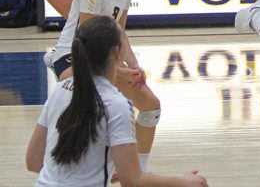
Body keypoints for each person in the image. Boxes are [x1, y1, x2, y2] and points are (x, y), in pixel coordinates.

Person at [26, 16, 208, 187]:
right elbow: (132, 180)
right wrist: (182, 181)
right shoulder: (117, 104)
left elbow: (33, 161)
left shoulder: (60, 88)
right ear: (117, 52)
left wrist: (85, 171)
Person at [45, 0, 164, 177]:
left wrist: (133, 66)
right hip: (75, 54)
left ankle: (136, 173)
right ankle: (60, 67)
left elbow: (117, 32)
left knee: (151, 107)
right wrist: (119, 73)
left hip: (104, 58)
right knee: (98, 113)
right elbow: (87, 40)